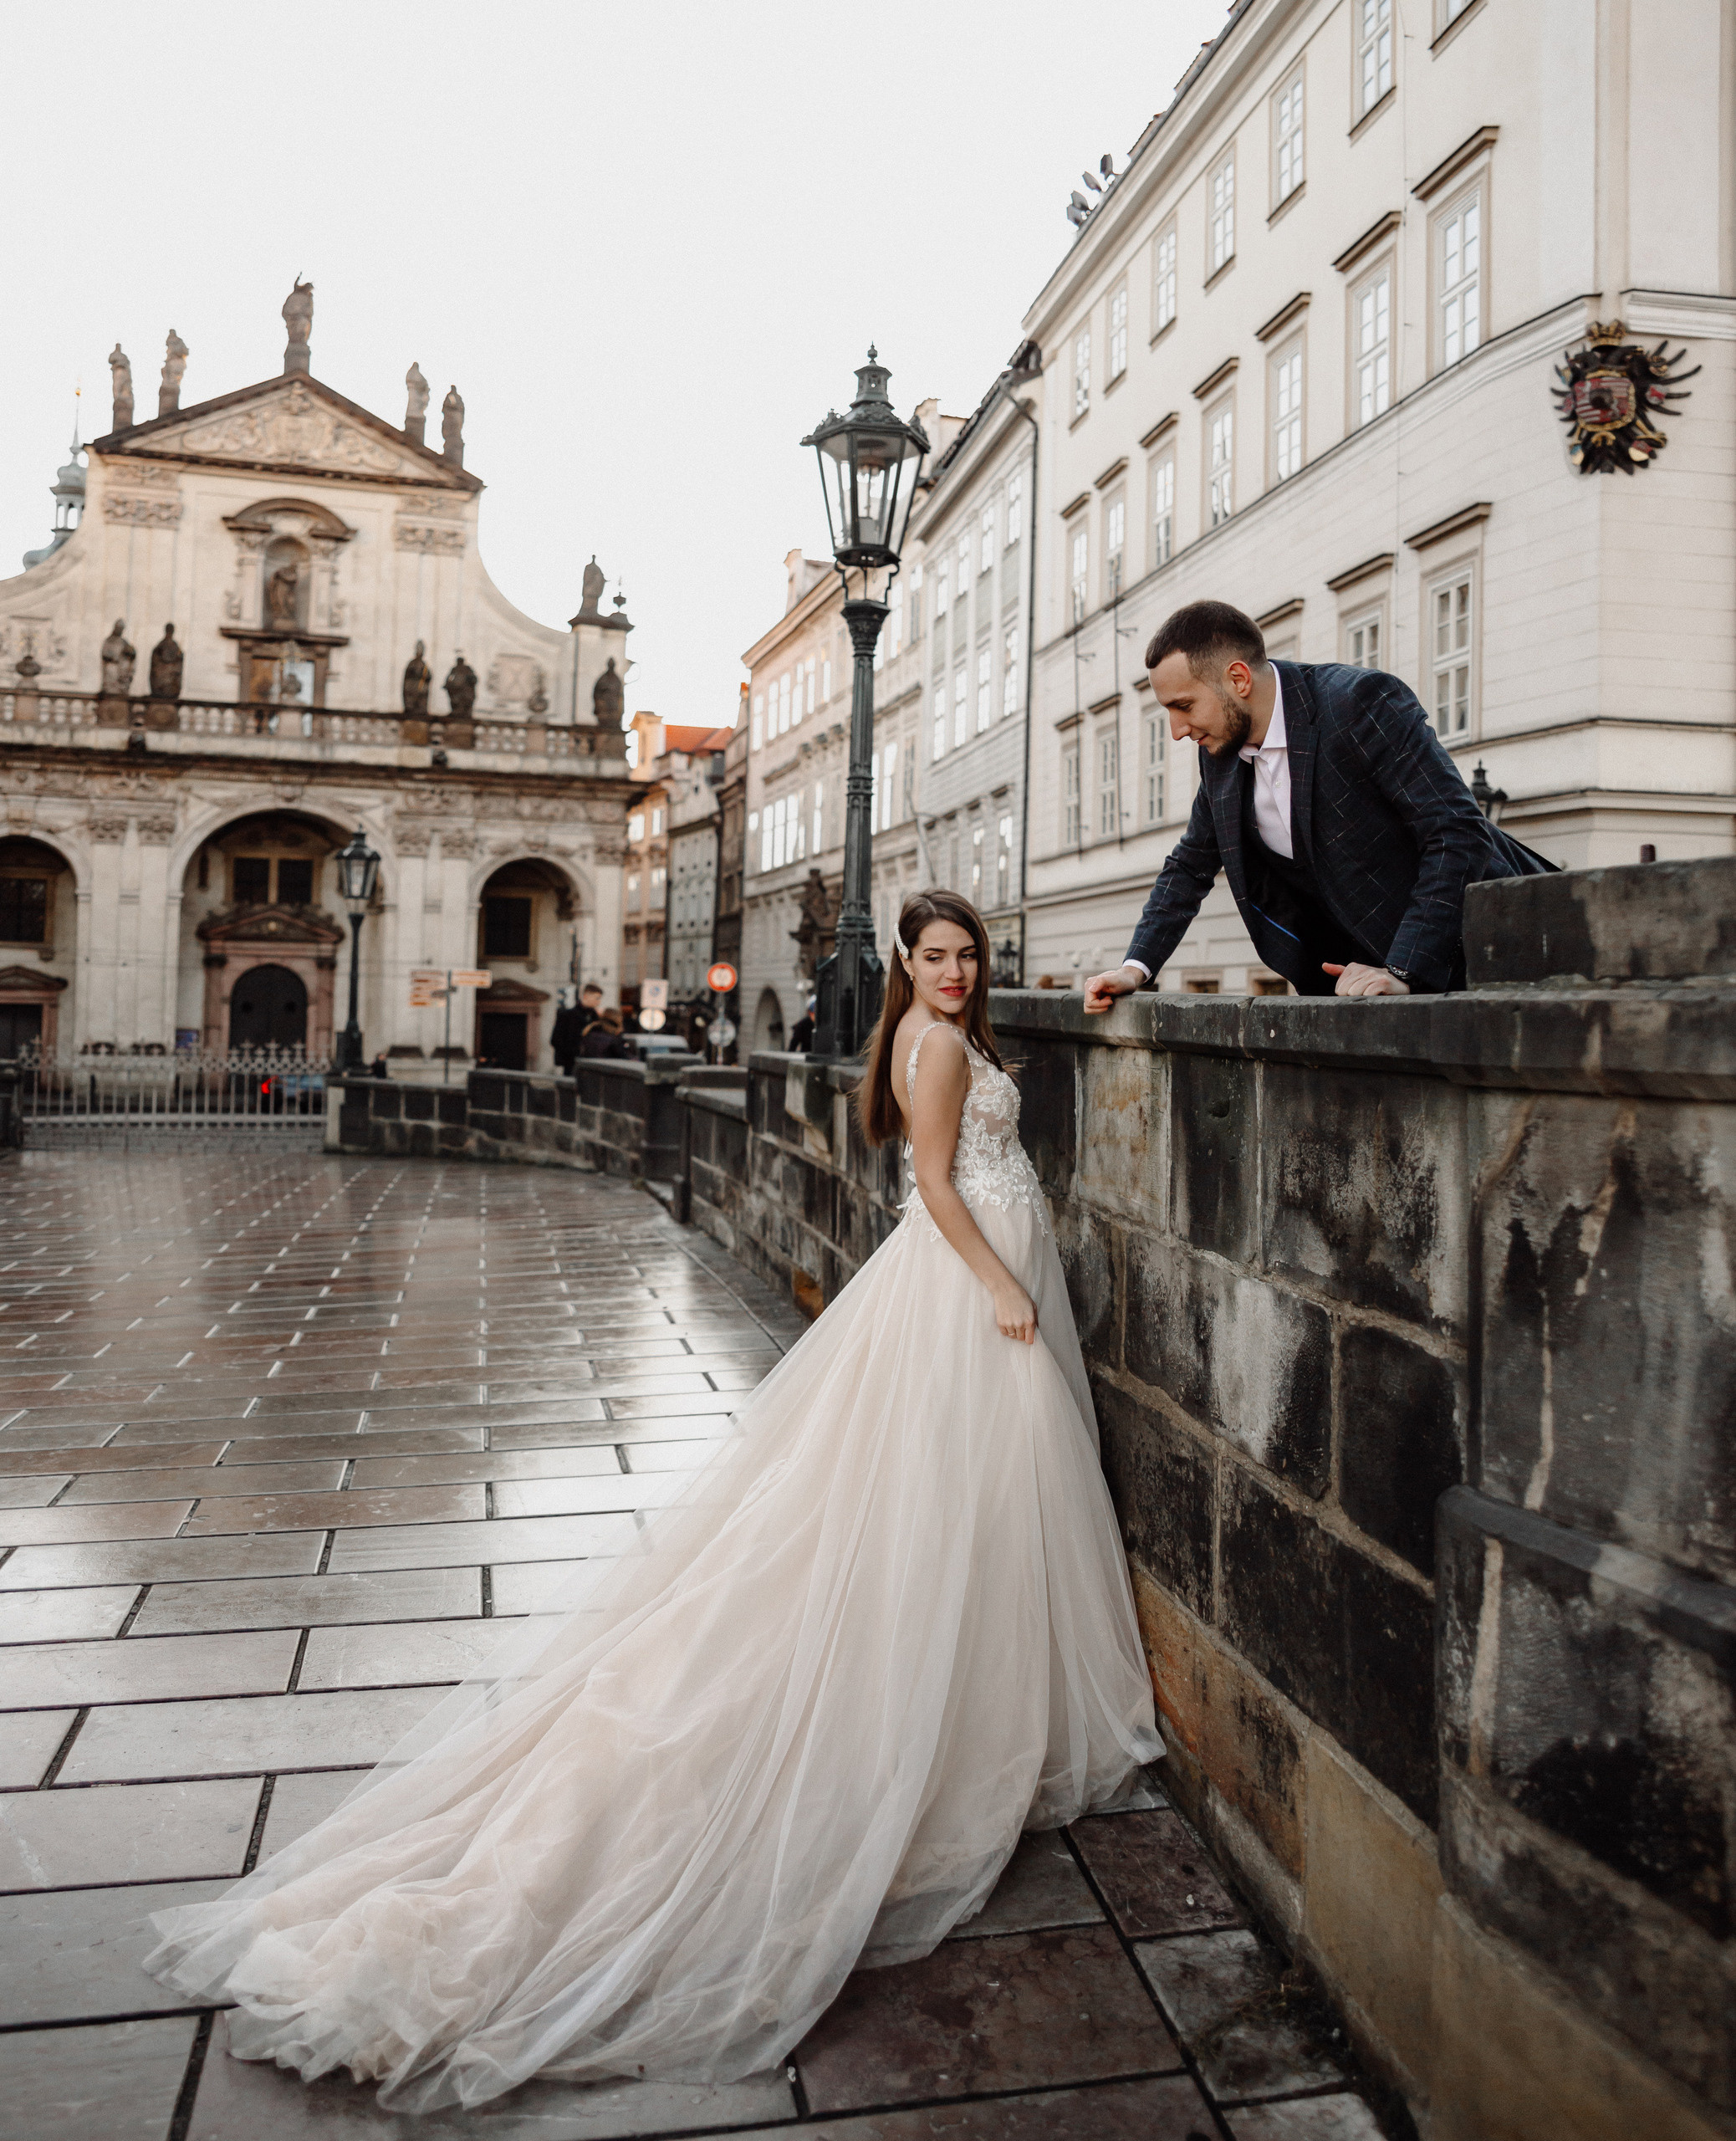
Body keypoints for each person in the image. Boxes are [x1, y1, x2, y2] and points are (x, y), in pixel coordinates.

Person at [140, 888, 1159, 2113]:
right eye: (936, 956)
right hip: (962, 1278)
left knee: (963, 1498)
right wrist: (999, 1283)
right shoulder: (934, 1043)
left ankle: (975, 1686)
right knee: (949, 1492)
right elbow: (936, 1184)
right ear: (904, 961)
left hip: (956, 1275)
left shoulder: (938, 1031)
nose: (955, 971)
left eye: (969, 955)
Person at [1085, 600, 1554, 1012]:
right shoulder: (1221, 756)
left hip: (1501, 956)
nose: (1176, 731)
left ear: (1238, 679)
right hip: (1357, 990)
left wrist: (1404, 969)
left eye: (1184, 706)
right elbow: (1189, 866)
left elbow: (1456, 830)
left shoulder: (1359, 702)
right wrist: (1135, 969)